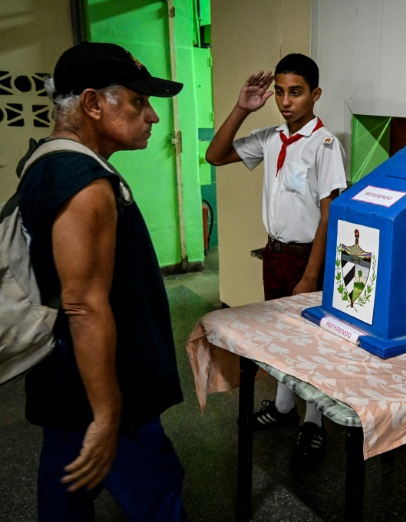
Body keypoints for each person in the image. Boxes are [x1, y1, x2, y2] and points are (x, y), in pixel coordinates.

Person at [18, 42, 188, 521]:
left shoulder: (47, 163)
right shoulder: (84, 181)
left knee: (66, 495)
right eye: (138, 101)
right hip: (108, 386)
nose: (152, 116)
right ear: (93, 104)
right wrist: (109, 414)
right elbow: (83, 305)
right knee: (158, 499)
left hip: (65, 380)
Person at [206, 53, 347, 465]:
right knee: (282, 336)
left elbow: (329, 215)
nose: (286, 101)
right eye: (280, 93)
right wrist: (241, 108)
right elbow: (216, 155)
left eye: (296, 93)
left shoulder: (324, 145)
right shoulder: (271, 138)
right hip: (276, 254)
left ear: (315, 95)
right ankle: (285, 408)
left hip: (308, 259)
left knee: (311, 342)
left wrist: (311, 275)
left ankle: (314, 422)